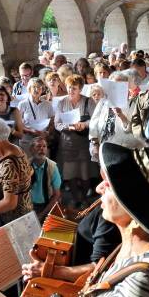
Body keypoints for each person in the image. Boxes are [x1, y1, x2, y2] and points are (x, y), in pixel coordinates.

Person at [83, 143, 149, 297]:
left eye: (108, 185)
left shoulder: (139, 287)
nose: (98, 188)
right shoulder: (131, 245)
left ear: (135, 213)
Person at [54, 74, 97, 207]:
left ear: (80, 89)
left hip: (83, 143)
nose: (70, 91)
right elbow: (57, 123)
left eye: (74, 88)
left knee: (85, 174)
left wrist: (84, 125)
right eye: (68, 88)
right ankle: (75, 198)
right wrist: (68, 126)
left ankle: (83, 198)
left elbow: (95, 120)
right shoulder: (62, 102)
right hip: (67, 143)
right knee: (70, 173)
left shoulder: (88, 101)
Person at [28, 137, 61, 220]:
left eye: (44, 146)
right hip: (29, 205)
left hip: (47, 205)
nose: (41, 149)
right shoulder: (25, 166)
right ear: (31, 149)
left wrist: (42, 214)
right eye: (38, 146)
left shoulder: (52, 167)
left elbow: (57, 194)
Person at [18, 78, 54, 154]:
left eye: (39, 87)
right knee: (27, 163)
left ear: (42, 89)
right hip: (27, 140)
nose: (36, 89)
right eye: (34, 87)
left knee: (43, 163)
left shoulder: (47, 104)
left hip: (42, 139)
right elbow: (18, 124)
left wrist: (47, 132)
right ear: (29, 89)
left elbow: (52, 121)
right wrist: (31, 131)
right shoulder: (22, 104)